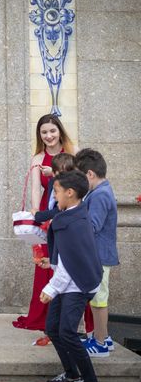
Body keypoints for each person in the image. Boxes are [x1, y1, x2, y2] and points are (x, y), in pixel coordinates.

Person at [40, 170, 104, 382]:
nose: (54, 197)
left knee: (67, 331)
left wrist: (50, 289)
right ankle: (71, 374)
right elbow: (66, 255)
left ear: (70, 192)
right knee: (54, 328)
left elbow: (70, 263)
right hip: (68, 282)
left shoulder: (74, 222)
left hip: (76, 285)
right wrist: (52, 262)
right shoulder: (70, 216)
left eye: (56, 192)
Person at [13, 114, 74, 343]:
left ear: (60, 131)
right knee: (45, 263)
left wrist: (56, 174)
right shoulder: (37, 158)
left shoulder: (71, 152)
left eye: (52, 131)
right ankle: (44, 317)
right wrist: (36, 216)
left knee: (66, 262)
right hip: (47, 215)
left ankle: (69, 317)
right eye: (44, 132)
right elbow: (36, 191)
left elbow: (78, 183)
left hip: (67, 212)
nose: (48, 136)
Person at [75, 149, 118, 357]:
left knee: (99, 300)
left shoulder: (100, 195)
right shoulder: (101, 191)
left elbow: (92, 226)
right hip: (99, 254)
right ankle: (103, 338)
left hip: (99, 255)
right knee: (97, 298)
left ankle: (100, 343)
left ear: (90, 174)